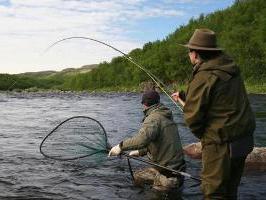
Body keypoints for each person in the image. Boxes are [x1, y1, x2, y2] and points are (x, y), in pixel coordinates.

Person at [172, 29, 256, 200]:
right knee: (231, 191)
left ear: (195, 54)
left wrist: (205, 138)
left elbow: (193, 119)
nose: (189, 54)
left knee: (214, 194)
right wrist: (184, 96)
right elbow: (220, 97)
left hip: (221, 146)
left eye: (189, 50)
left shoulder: (203, 76)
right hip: (243, 141)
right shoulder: (230, 69)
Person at [109, 90, 185, 191]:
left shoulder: (153, 118)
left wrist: (120, 146)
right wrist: (140, 152)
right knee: (138, 177)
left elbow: (141, 140)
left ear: (144, 104)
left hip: (168, 176)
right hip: (178, 171)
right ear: (158, 101)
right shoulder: (165, 114)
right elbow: (159, 142)